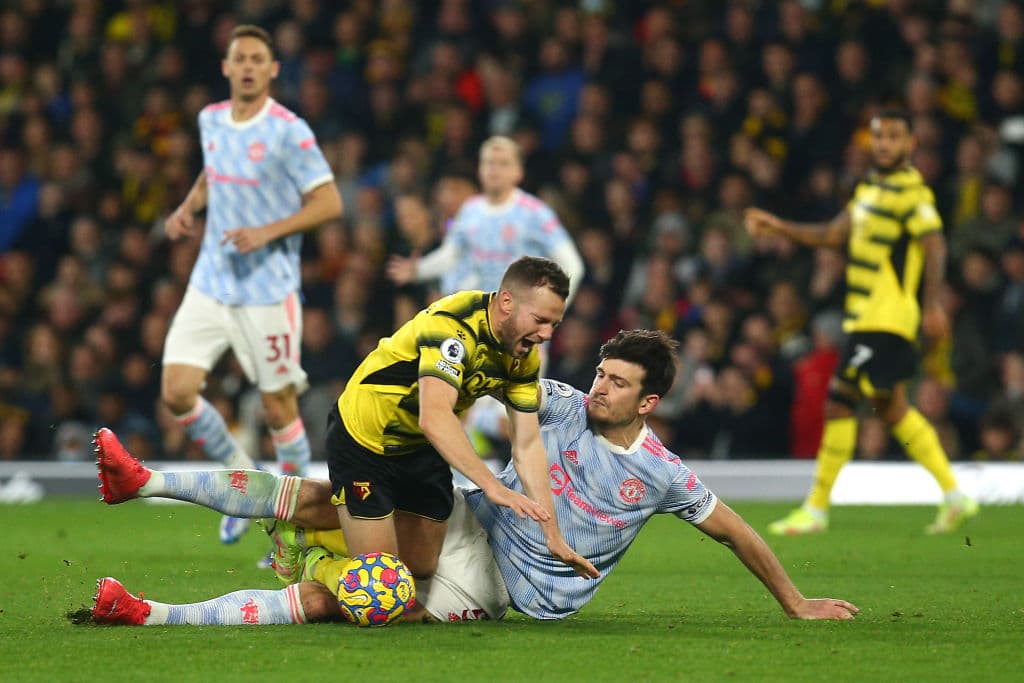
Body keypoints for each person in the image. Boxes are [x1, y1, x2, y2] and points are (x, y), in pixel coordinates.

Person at [90, 330, 858, 626]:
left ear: (648, 401)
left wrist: (795, 602)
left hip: (494, 588)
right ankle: (143, 478)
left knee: (349, 602)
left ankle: (147, 613)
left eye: (618, 383)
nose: (598, 387)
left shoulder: (661, 473)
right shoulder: (555, 405)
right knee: (329, 496)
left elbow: (734, 530)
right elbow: (484, 383)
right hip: (466, 515)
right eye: (599, 371)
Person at [744, 109, 979, 536]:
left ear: (910, 144)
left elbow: (935, 244)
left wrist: (932, 306)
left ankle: (816, 508)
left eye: (894, 136)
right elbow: (835, 234)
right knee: (891, 407)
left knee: (839, 400)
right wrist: (780, 226)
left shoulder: (913, 192)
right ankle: (955, 494)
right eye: (879, 136)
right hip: (864, 315)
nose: (885, 144)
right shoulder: (869, 188)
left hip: (887, 317)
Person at [160, 25, 342, 546]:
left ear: (272, 69)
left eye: (257, 59)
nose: (246, 67)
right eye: (239, 58)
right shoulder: (210, 119)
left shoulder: (289, 130)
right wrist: (187, 209)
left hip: (268, 291)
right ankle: (244, 485)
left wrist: (267, 232)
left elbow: (329, 202)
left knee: (278, 407)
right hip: (211, 283)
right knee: (176, 393)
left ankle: (294, 520)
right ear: (226, 66)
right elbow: (212, 174)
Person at [385, 135, 585, 303]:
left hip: (522, 331)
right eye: (489, 162)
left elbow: (572, 265)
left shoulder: (535, 213)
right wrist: (419, 270)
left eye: (503, 163)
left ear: (518, 172)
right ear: (480, 169)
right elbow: (451, 254)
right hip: (482, 324)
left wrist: (551, 312)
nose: (494, 169)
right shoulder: (470, 210)